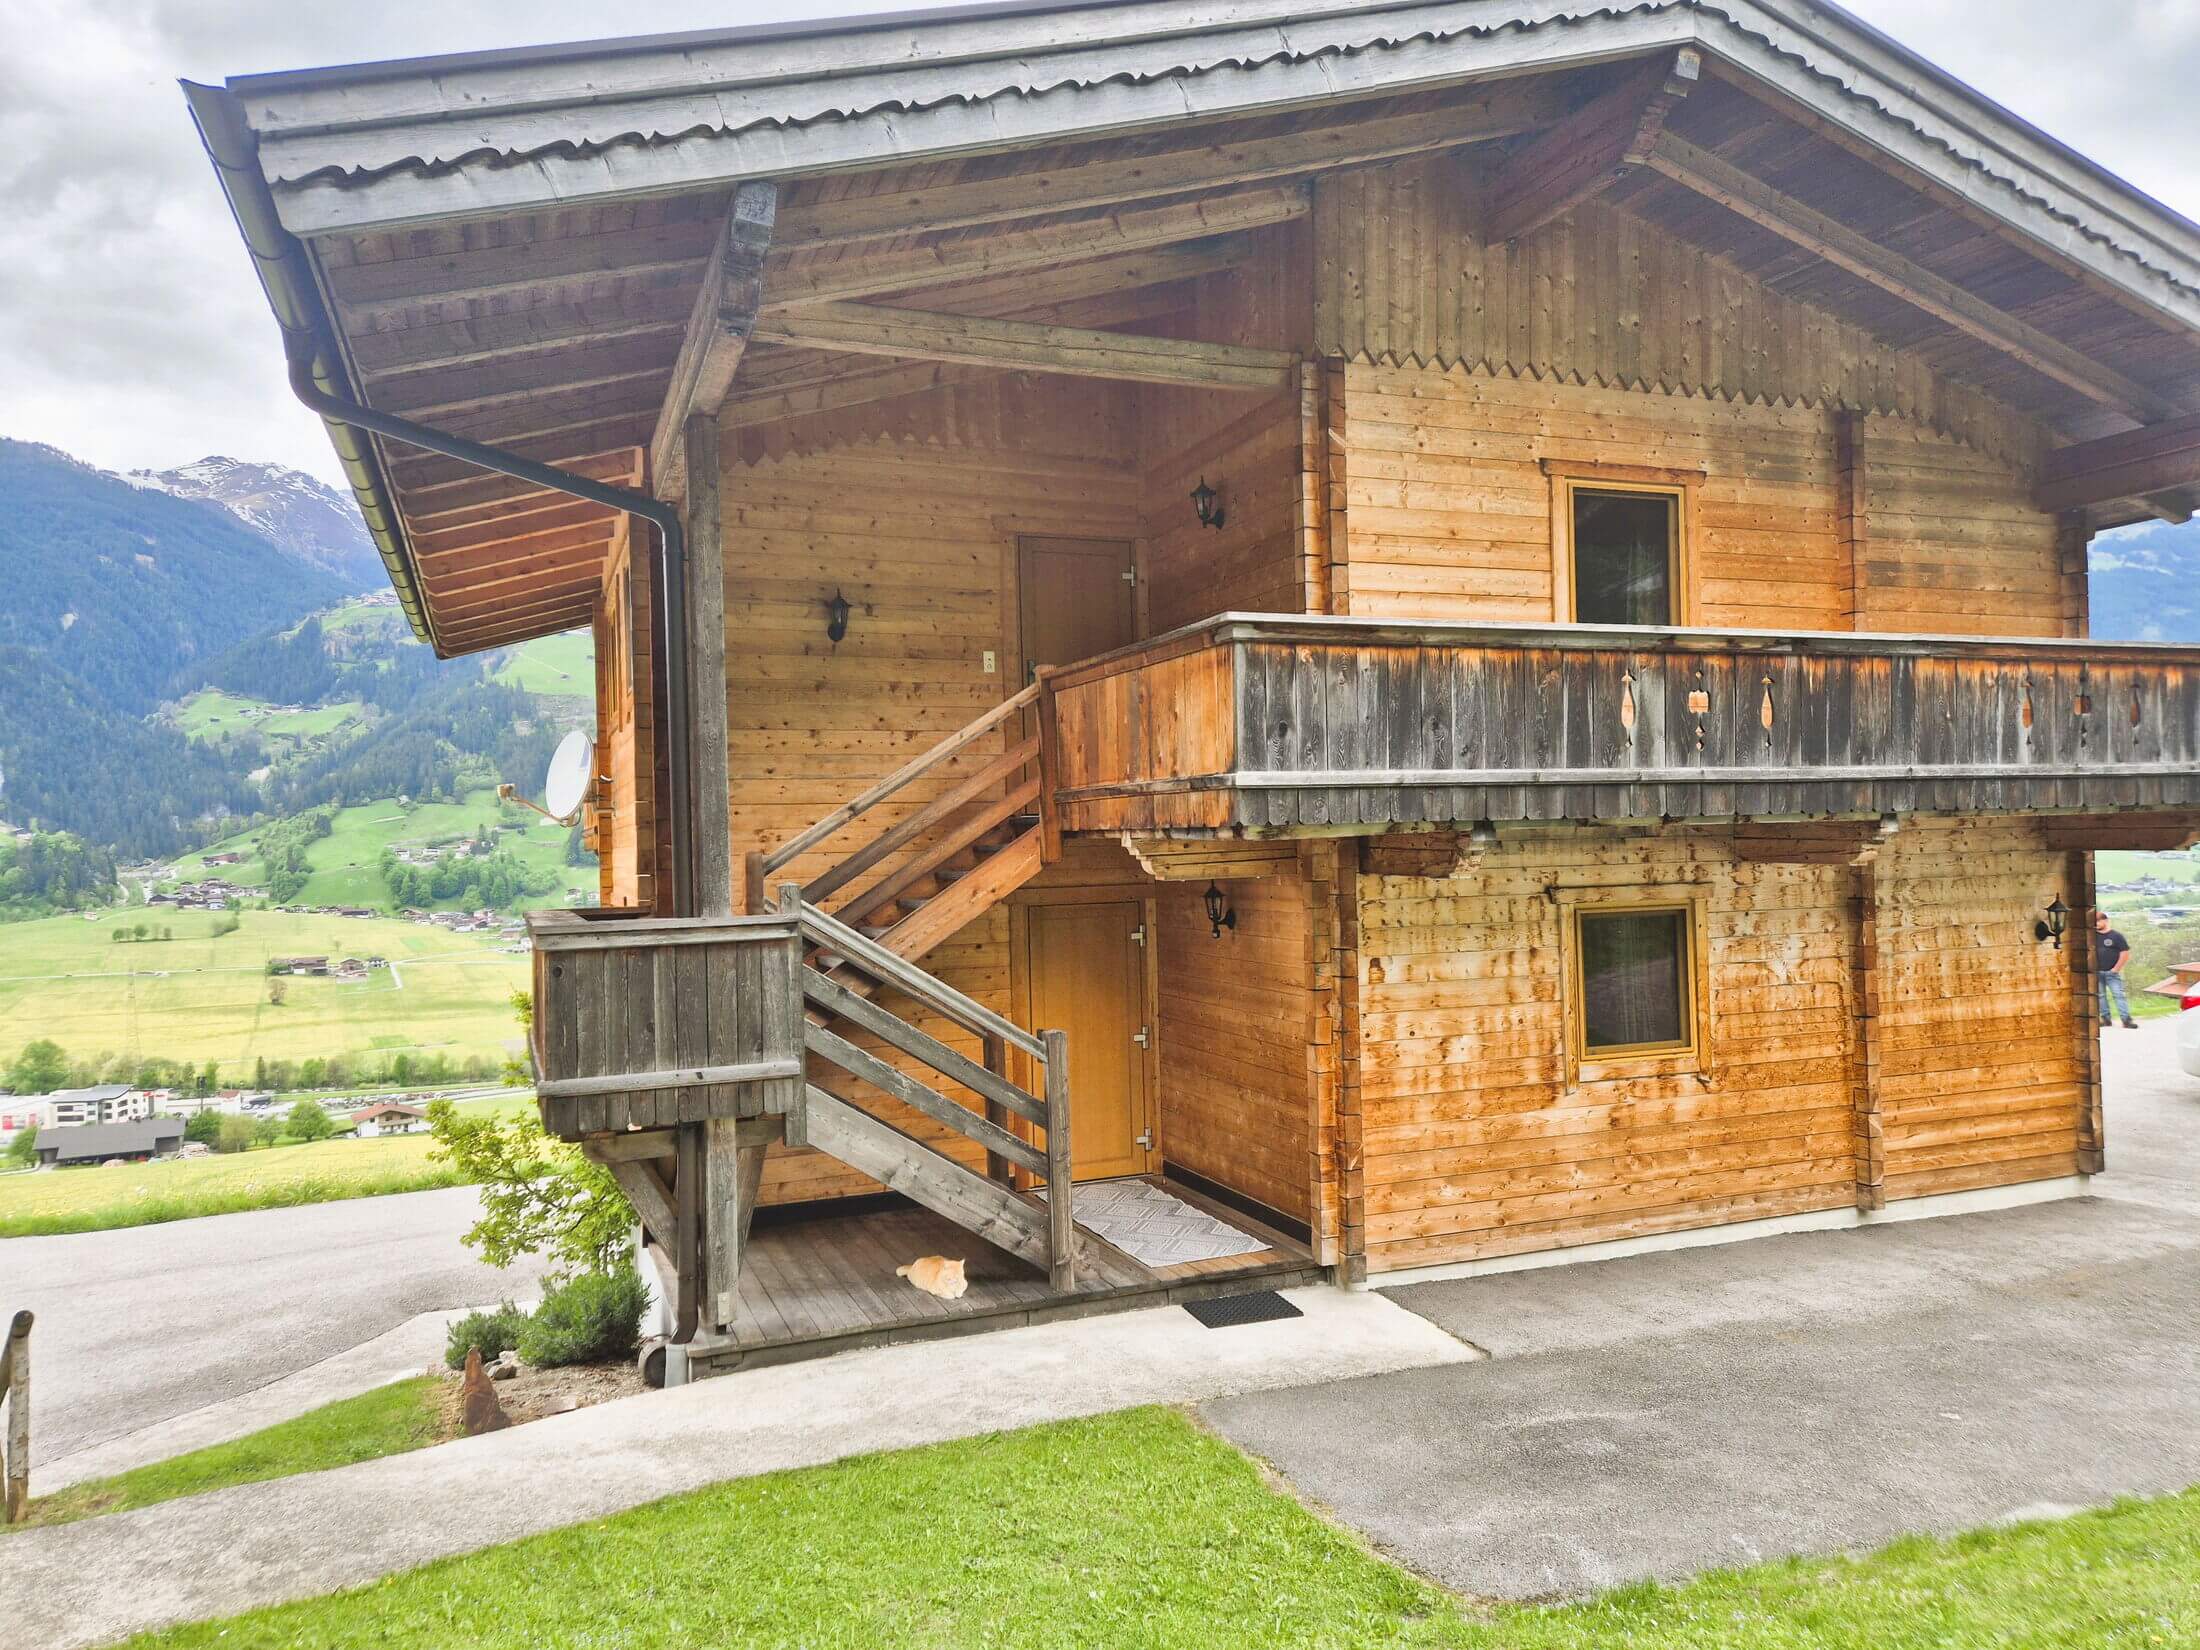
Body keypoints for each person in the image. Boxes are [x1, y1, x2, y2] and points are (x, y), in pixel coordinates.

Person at [2095, 911, 2137, 1029]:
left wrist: (2116, 969)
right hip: (2097, 973)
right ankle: (2106, 1019)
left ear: (2106, 921)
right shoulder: (2092, 936)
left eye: (2098, 921)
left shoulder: (2116, 936)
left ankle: (2126, 1020)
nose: (2096, 924)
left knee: (2119, 995)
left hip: (2112, 973)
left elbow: (2125, 953)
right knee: (2101, 996)